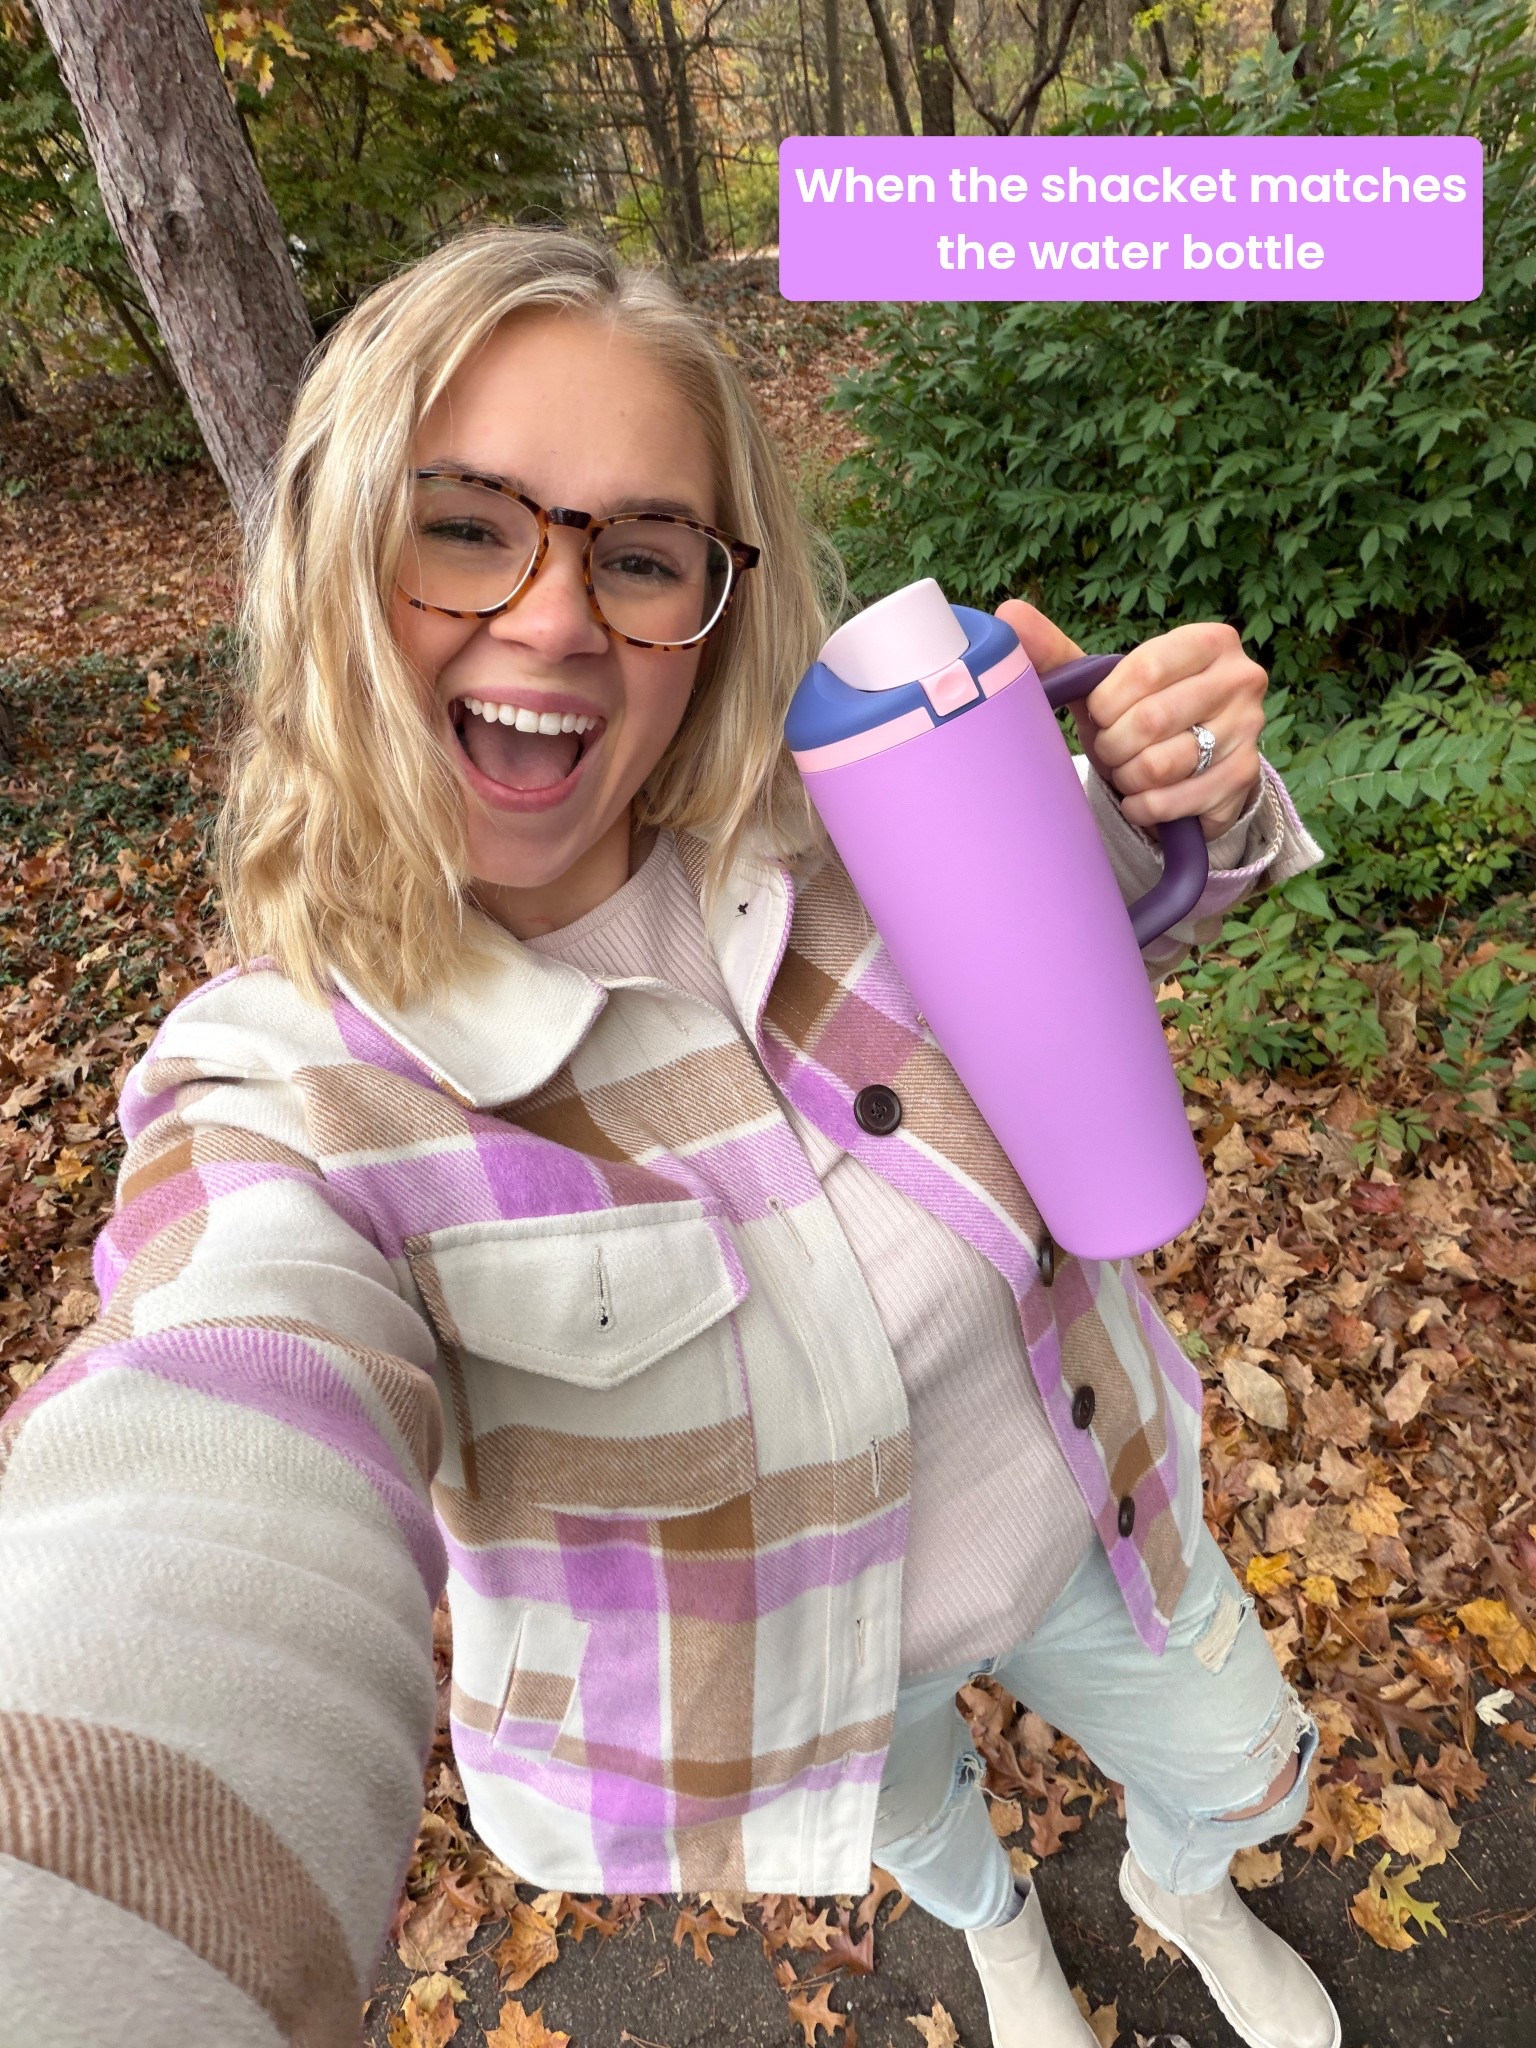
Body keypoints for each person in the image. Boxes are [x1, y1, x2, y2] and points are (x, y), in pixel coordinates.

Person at [0, 226, 1337, 2048]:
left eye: (639, 555)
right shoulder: (295, 1093)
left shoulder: (841, 816)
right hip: (812, 1677)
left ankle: (1180, 1889)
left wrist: (1181, 784)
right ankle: (1006, 1934)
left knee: (1247, 1765)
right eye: (463, 523)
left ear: (710, 598)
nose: (553, 615)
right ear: (332, 557)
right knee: (928, 1826)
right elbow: (207, 1439)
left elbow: (1103, 921)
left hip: (1101, 1515)